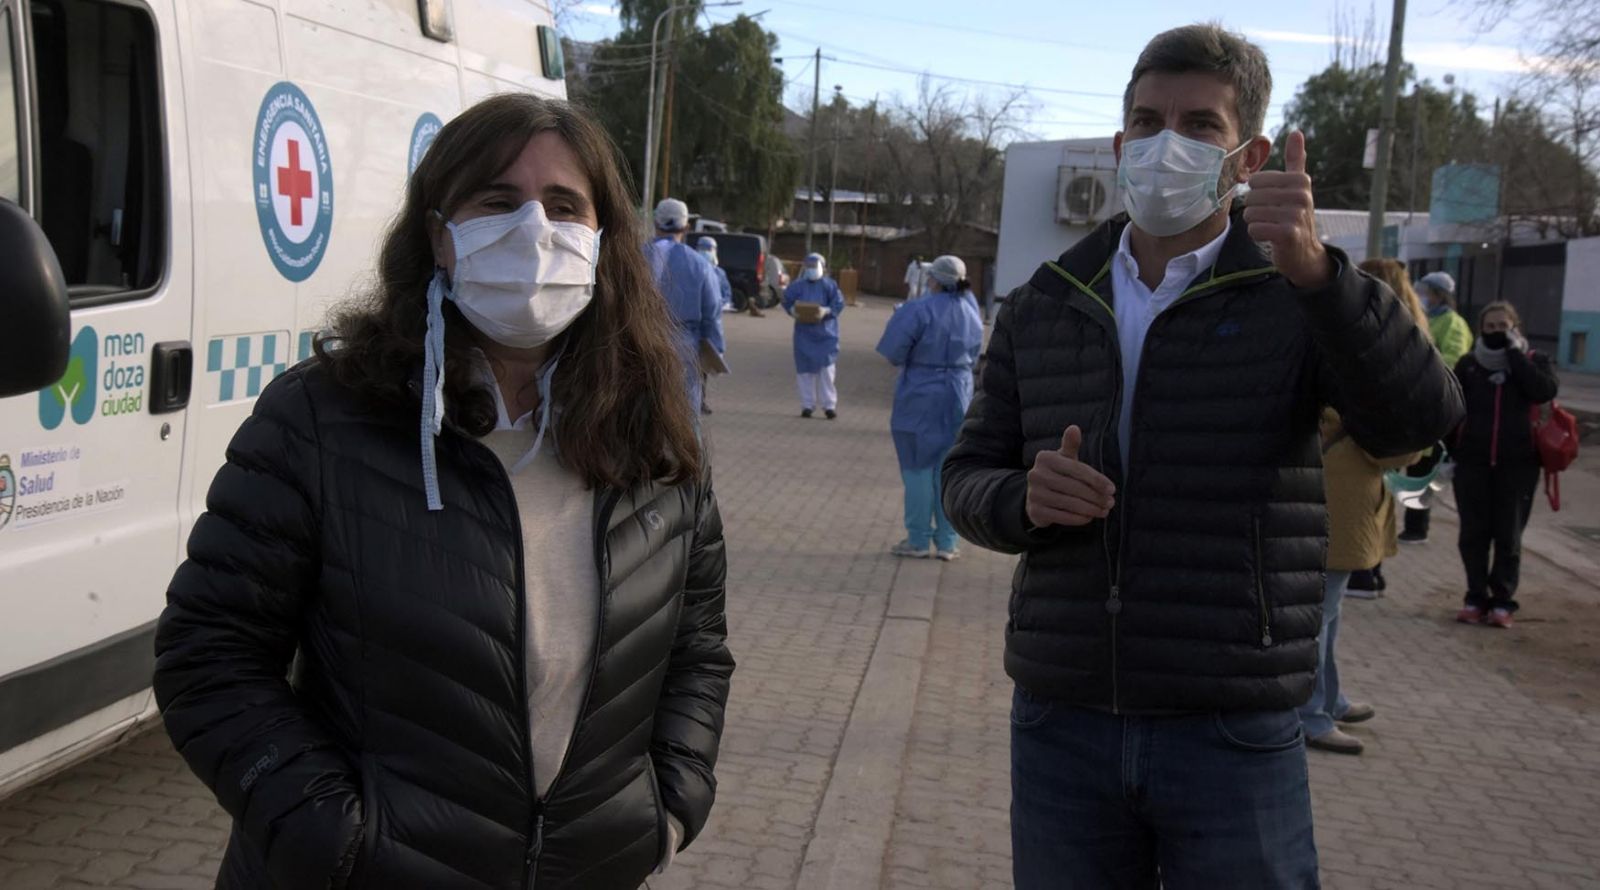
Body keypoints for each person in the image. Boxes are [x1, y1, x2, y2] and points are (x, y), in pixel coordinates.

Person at [153, 94, 734, 890]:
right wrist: (336, 836)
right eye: (497, 201)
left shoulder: (655, 441)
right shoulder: (323, 419)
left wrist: (667, 806)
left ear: (603, 240)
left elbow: (697, 651)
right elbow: (209, 655)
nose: (533, 229)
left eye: (564, 205)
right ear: (438, 235)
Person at [941, 24, 1462, 888]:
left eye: (1199, 126)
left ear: (1248, 156)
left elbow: (1418, 421)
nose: (1165, 145)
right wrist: (1020, 500)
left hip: (1231, 726)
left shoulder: (1294, 295)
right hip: (1065, 718)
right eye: (1147, 122)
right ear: (1120, 146)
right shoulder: (1047, 301)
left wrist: (1321, 277)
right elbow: (966, 475)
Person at [1298, 258, 1432, 755]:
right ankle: (1311, 713)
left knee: (1328, 612)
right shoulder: (1375, 349)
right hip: (1343, 489)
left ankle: (1327, 701)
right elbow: (1388, 438)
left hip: (1346, 487)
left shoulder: (1354, 342)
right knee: (1321, 614)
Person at [1451, 301, 1560, 629]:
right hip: (1473, 463)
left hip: (1518, 465)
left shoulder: (1534, 360)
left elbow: (1543, 390)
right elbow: (1452, 409)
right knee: (1473, 535)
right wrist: (1449, 453)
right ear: (1481, 330)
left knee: (1508, 536)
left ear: (1516, 328)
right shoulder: (1469, 364)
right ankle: (1475, 597)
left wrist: (1514, 354)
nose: (1497, 332)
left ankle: (1502, 601)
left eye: (1503, 326)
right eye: (1491, 327)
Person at [877, 255, 985, 562]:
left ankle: (918, 539)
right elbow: (975, 352)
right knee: (947, 467)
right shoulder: (971, 311)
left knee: (917, 467)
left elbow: (894, 352)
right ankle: (948, 541)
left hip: (920, 393)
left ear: (933, 279)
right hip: (959, 391)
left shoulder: (918, 309)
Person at [1346, 259, 1434, 598]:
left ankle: (1364, 571)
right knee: (1381, 499)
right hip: (1400, 434)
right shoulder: (1413, 324)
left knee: (1363, 499)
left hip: (1370, 433)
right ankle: (1372, 568)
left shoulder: (1375, 325)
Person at [1401, 271, 1475, 543]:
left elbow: (1452, 362)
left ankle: (1417, 528)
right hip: (1415, 405)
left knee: (1422, 472)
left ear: (1439, 294)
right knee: (1409, 469)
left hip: (1434, 406)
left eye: (1426, 291)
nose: (1422, 296)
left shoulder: (1453, 324)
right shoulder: (1426, 318)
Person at [646, 197, 725, 413]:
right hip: (682, 350)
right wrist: (716, 351)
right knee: (683, 417)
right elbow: (712, 313)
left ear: (655, 222)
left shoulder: (631, 257)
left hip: (635, 345)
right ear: (686, 227)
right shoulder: (699, 265)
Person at [784, 252, 846, 419]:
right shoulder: (798, 286)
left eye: (814, 265)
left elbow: (838, 304)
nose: (811, 269)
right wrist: (792, 310)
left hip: (826, 334)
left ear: (822, 267)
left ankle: (829, 405)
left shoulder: (830, 285)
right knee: (805, 371)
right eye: (809, 266)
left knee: (827, 371)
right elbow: (787, 300)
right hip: (804, 334)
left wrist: (826, 310)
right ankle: (807, 405)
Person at [698, 235, 735, 312]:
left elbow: (726, 294)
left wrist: (721, 304)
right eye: (702, 248)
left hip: (713, 311)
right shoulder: (691, 269)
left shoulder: (719, 273)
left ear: (714, 251)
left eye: (709, 249)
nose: (705, 252)